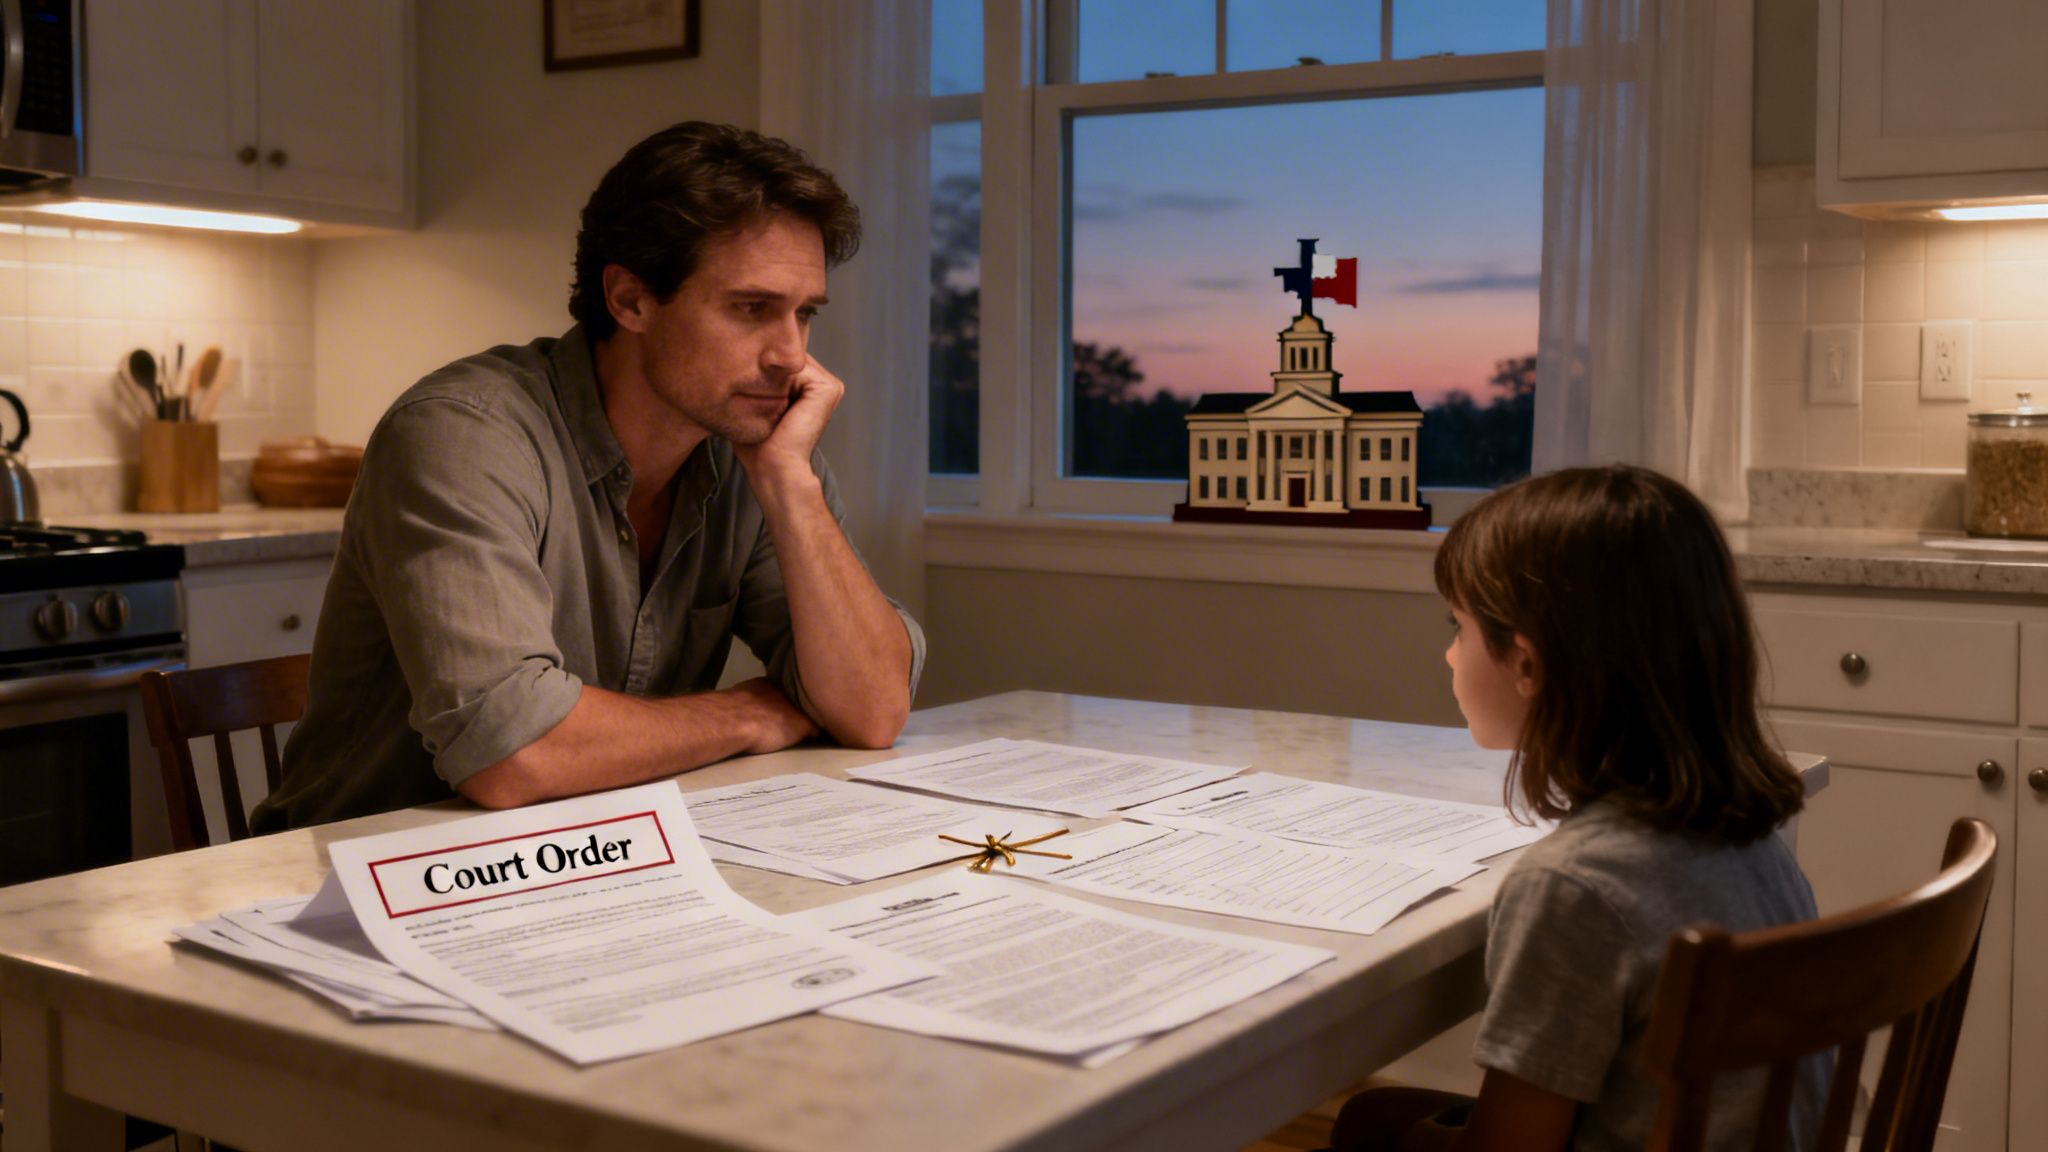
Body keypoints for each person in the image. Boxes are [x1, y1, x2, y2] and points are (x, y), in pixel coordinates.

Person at [252, 121, 922, 832]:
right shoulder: (463, 432)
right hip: (362, 882)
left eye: (804, 314)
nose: (791, 356)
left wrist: (791, 485)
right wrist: (747, 712)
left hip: (596, 858)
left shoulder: (754, 444)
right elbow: (513, 752)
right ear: (630, 300)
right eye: (751, 309)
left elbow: (873, 711)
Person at [1325, 465, 1826, 1152]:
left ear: (1527, 665)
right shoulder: (1752, 836)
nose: (1448, 652)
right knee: (1372, 1119)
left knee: (1377, 1129)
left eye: (1460, 627)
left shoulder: (1573, 887)